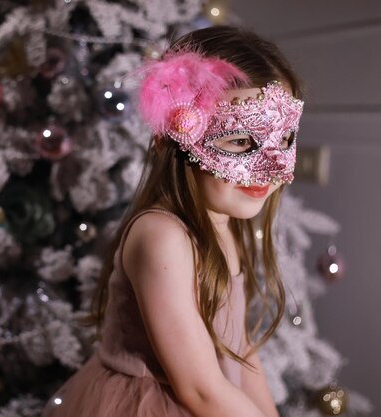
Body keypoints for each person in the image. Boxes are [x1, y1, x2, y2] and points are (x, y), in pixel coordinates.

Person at [41, 25, 304, 417]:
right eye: (239, 141)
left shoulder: (222, 220)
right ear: (175, 137)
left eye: (283, 139)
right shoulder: (161, 236)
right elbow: (200, 390)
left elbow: (241, 349)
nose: (269, 165)